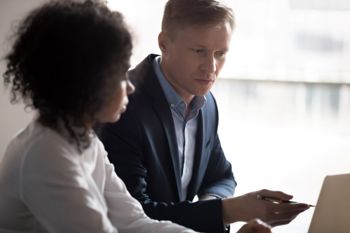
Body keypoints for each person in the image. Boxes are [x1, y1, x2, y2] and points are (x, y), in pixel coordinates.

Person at [0, 0, 273, 233]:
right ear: (85, 82)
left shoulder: (82, 140)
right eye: (119, 74)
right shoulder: (45, 153)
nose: (129, 85)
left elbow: (134, 222)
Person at [98, 0, 310, 232]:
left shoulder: (206, 104)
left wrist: (211, 208)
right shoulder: (119, 105)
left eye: (220, 53)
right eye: (199, 51)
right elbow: (135, 215)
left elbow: (221, 176)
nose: (211, 67)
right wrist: (228, 211)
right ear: (164, 44)